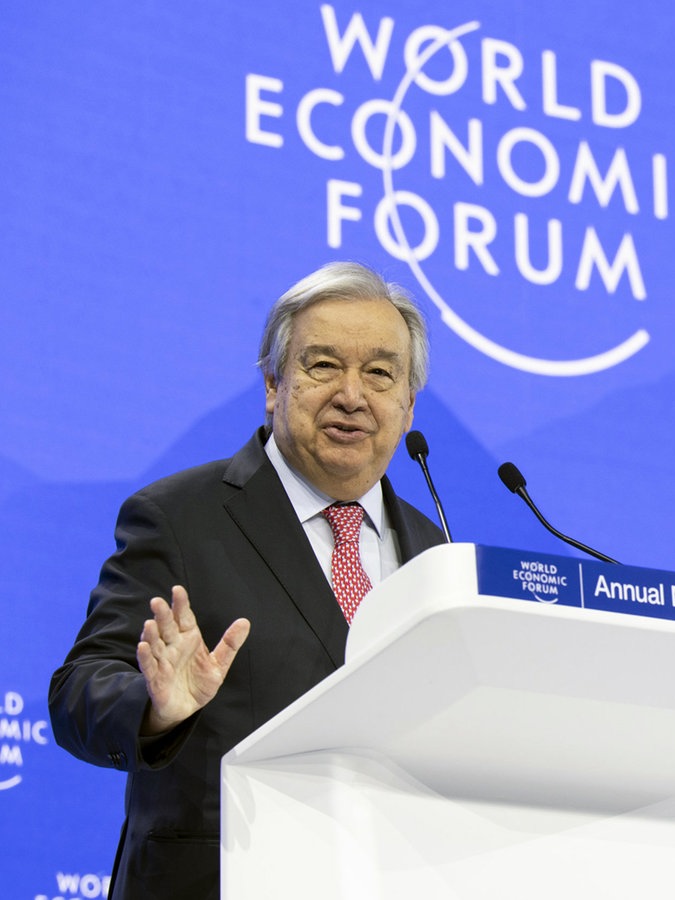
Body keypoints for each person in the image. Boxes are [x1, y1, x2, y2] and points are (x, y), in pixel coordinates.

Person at [48, 261, 446, 900]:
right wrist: (155, 709)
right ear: (273, 384)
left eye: (380, 373)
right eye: (322, 366)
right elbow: (78, 692)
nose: (352, 394)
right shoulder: (179, 516)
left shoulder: (438, 556)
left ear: (407, 406)